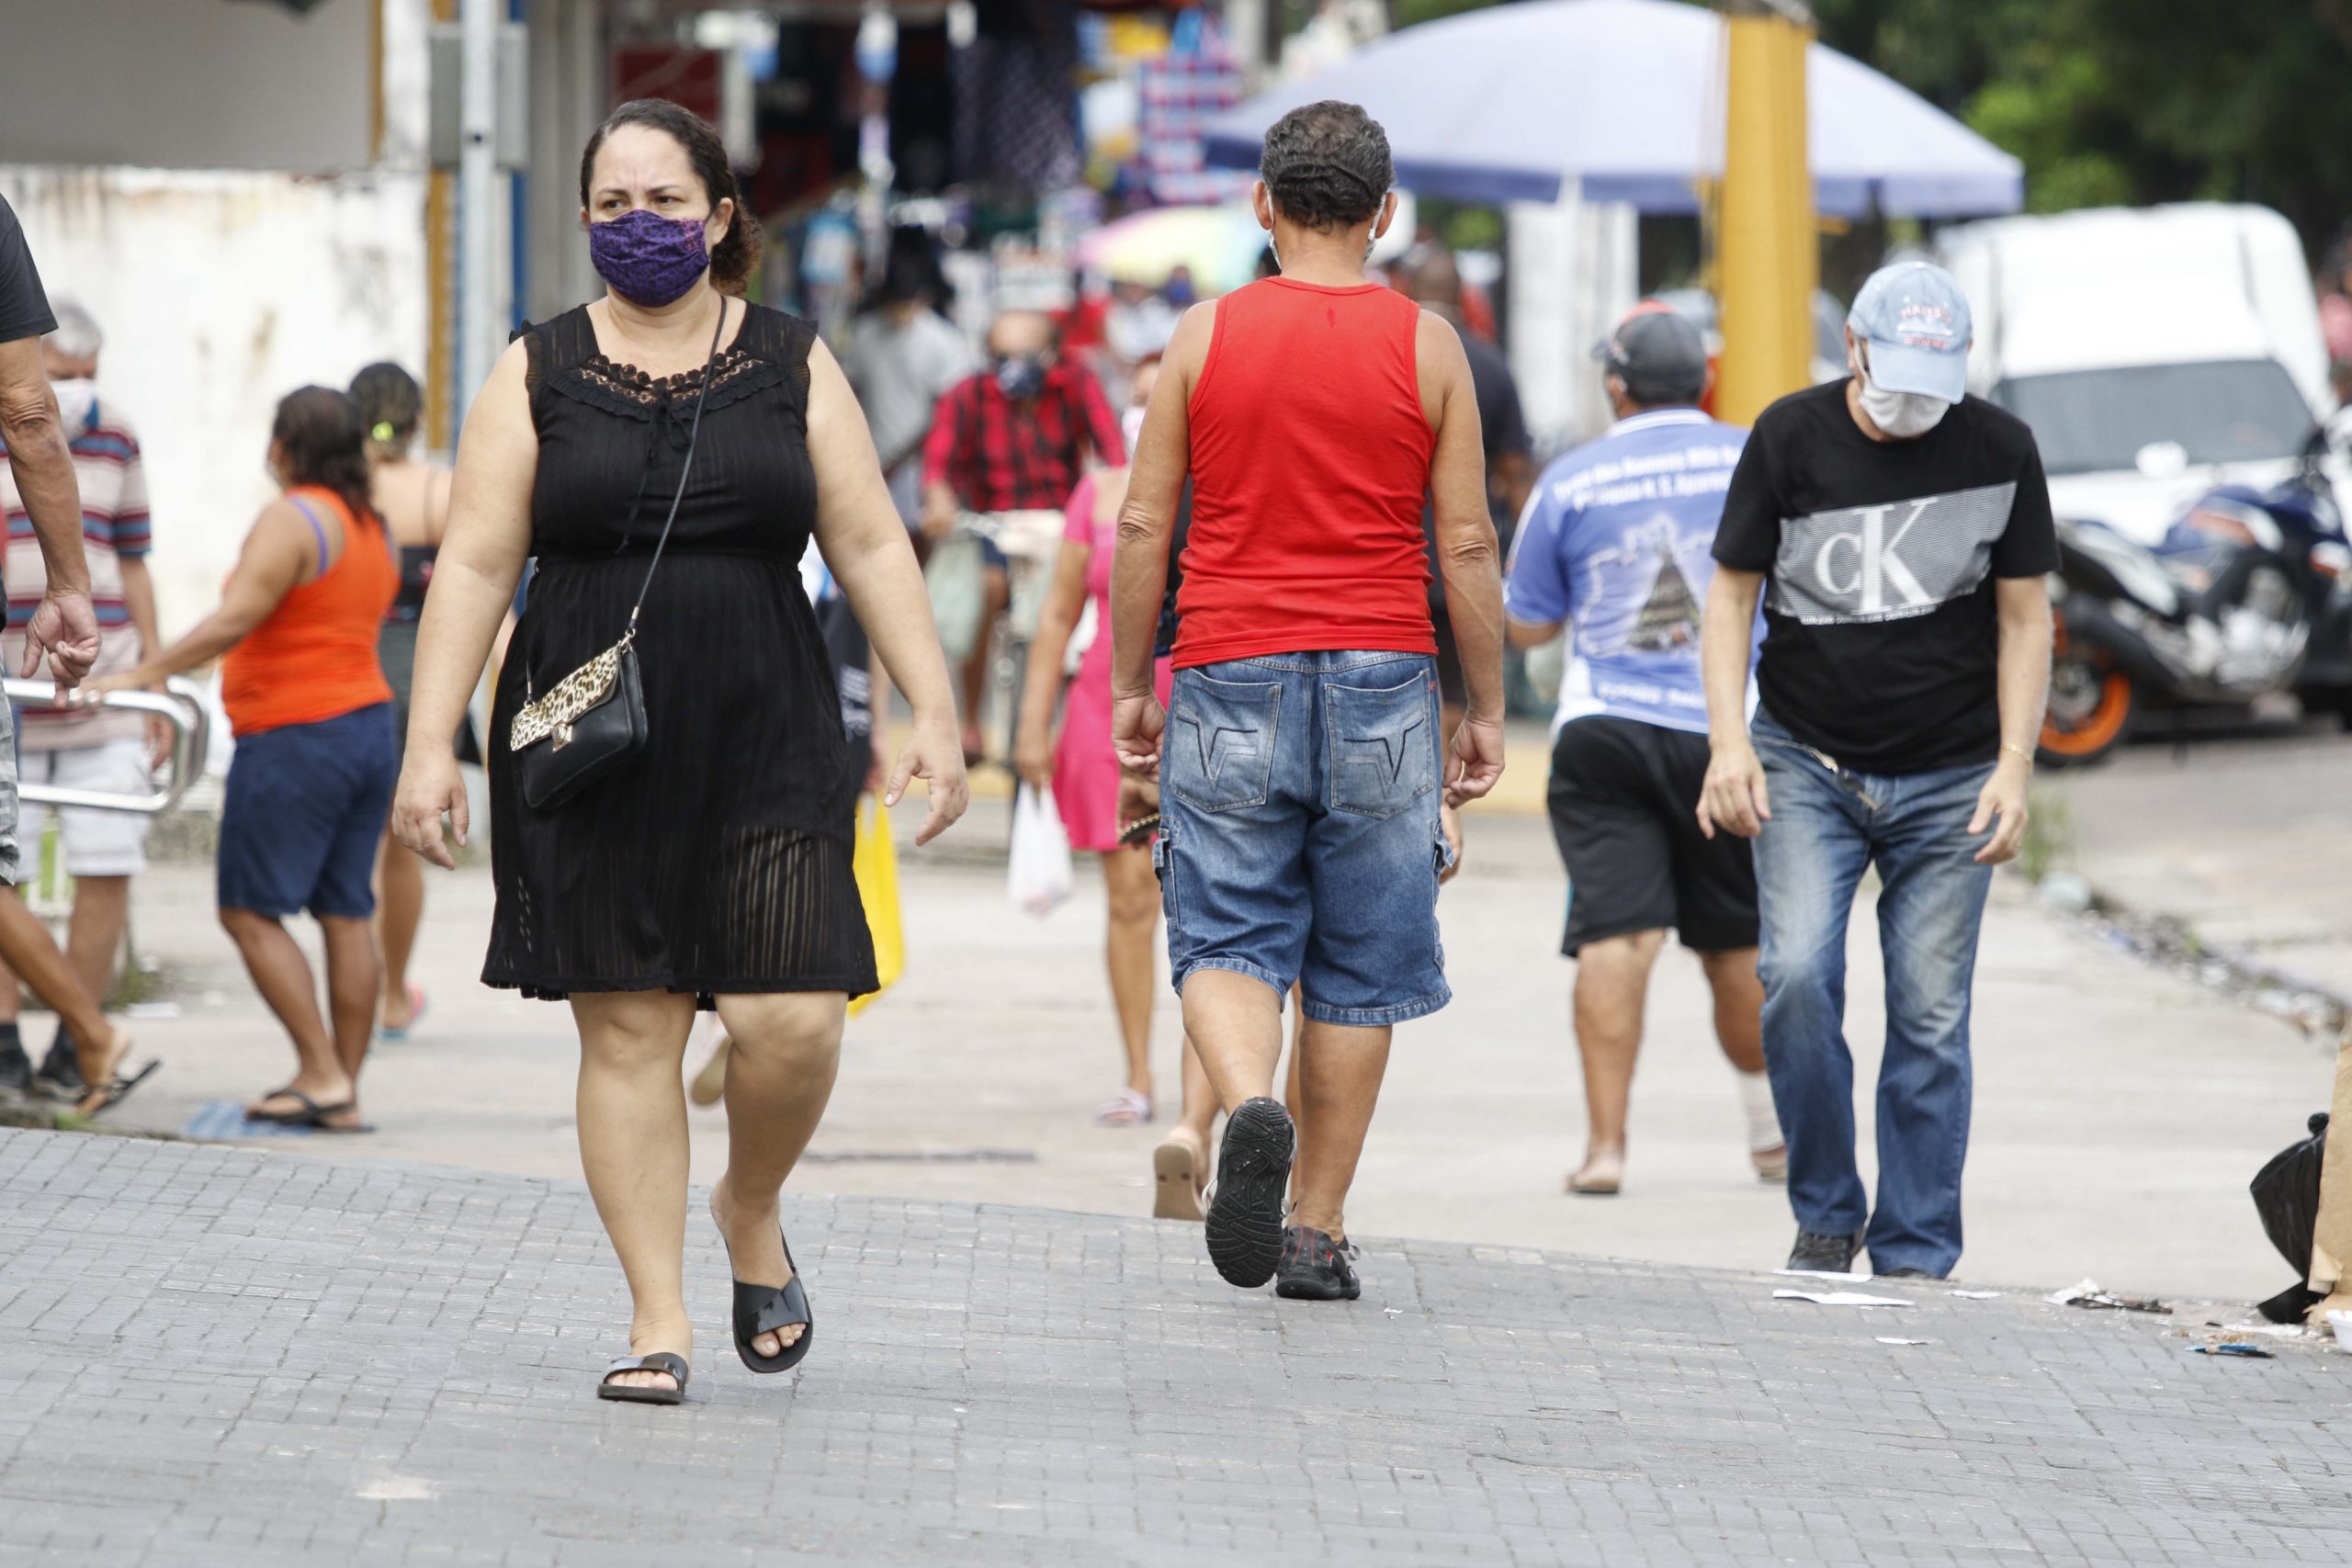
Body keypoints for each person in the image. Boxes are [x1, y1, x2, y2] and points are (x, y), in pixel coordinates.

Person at [390, 100, 967, 1404]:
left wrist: (937, 711)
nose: (636, 226)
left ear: (718, 218)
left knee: (793, 1017)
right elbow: (477, 561)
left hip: (768, 712)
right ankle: (660, 1318)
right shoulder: (533, 368)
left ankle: (748, 1203)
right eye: (611, 206)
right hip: (595, 729)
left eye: (663, 203)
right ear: (585, 220)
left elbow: (872, 540)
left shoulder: (792, 358)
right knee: (630, 1027)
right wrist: (428, 743)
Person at [1112, 99, 1507, 1303]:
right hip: (1386, 679)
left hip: (1230, 665)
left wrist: (1135, 678)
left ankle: (1246, 1105)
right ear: (1383, 215)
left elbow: (1141, 522)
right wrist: (1480, 699)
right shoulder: (1429, 346)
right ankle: (1318, 1231)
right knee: (1361, 962)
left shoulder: (1202, 336)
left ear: (1262, 204)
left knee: (1225, 930)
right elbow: (1469, 541)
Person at [1697, 261, 2054, 1281]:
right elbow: (1729, 598)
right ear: (1852, 346)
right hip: (1805, 758)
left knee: (1931, 1017)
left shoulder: (2000, 448)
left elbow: (2027, 617)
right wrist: (1729, 743)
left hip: (1952, 775)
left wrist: (2015, 767)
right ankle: (1824, 1210)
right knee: (1797, 979)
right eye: (1893, 371)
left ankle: (1914, 1252)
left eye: (1930, 380)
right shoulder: (1789, 436)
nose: (1910, 400)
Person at [1502, 304, 1782, 1197]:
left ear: (1614, 387)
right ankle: (1770, 1137)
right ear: (1704, 379)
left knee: (1614, 937)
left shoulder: (1572, 480)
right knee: (1736, 946)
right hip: (1727, 736)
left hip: (1604, 732)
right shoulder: (1757, 456)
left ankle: (1605, 1149)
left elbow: (1527, 622)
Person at [88, 387, 399, 1133]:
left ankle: (321, 1071)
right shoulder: (368, 525)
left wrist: (139, 672)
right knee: (346, 909)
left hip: (299, 733)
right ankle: (340, 1085)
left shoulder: (294, 519)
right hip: (368, 726)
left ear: (286, 446)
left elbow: (234, 618)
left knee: (247, 909)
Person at [1012, 357, 1214, 1153]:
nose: (1149, 413)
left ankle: (1209, 1087)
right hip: (1107, 705)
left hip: (1208, 697)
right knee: (1131, 898)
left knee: (1215, 900)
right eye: (1139, 400)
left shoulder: (1229, 488)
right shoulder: (1095, 494)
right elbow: (1058, 615)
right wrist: (1036, 723)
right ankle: (1139, 1075)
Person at [0, 298, 167, 1100]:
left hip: (101, 679)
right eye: (54, 375)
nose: (67, 392)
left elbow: (133, 560)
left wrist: (156, 679)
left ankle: (79, 1038)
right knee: (10, 871)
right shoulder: (10, 412)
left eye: (81, 376)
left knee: (106, 862)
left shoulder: (115, 433)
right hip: (12, 681)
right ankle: (5, 1043)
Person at [921, 310, 1125, 761]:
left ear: (1051, 354)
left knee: (1073, 606)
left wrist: (1114, 498)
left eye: (1025, 355)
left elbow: (1110, 448)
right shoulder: (968, 395)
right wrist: (939, 502)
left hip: (1061, 522)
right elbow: (939, 465)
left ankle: (1066, 718)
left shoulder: (1075, 386)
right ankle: (972, 719)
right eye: (1001, 356)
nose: (1013, 366)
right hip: (995, 522)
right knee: (983, 591)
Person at [349, 362, 461, 1041]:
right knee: (402, 851)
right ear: (417, 421)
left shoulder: (336, 493)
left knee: (355, 858)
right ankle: (392, 996)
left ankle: (354, 997)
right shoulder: (436, 491)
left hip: (347, 684)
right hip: (416, 691)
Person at [842, 262, 974, 536]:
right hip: (873, 451)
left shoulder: (941, 340)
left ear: (921, 301)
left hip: (922, 459)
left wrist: (902, 460)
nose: (898, 311)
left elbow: (948, 409)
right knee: (872, 529)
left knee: (921, 530)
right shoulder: (866, 333)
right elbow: (851, 390)